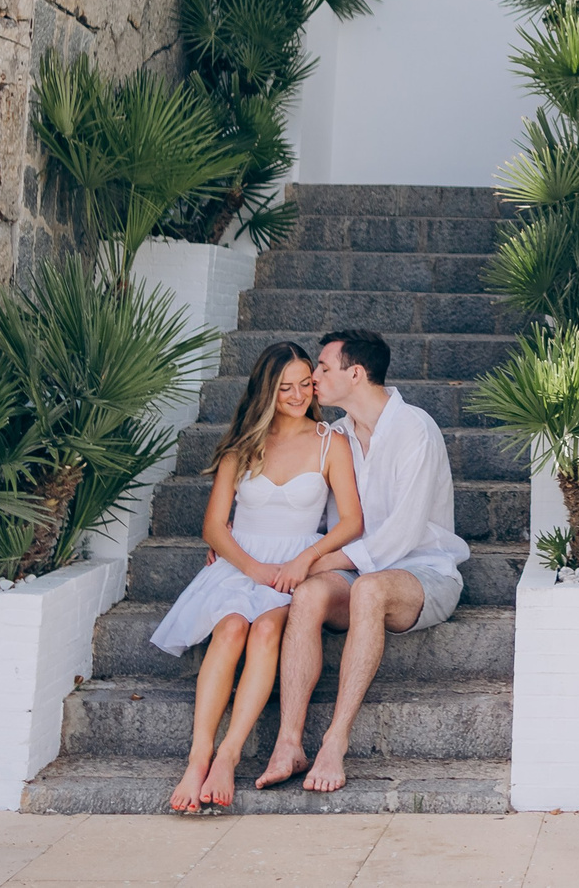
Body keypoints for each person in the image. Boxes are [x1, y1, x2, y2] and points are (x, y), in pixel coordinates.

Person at [147, 341, 362, 813]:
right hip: (240, 561)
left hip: (292, 567)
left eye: (306, 383)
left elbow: (351, 523)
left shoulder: (331, 442)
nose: (298, 394)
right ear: (267, 391)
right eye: (285, 387)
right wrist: (251, 567)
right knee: (229, 630)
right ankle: (198, 756)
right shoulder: (244, 446)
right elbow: (212, 525)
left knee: (265, 632)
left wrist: (305, 560)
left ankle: (229, 755)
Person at [254, 328, 469, 795]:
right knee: (309, 595)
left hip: (423, 573)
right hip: (354, 571)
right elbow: (302, 509)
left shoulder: (416, 429)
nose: (313, 376)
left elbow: (401, 536)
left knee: (369, 589)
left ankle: (334, 741)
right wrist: (238, 540)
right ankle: (289, 743)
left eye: (324, 368)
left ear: (356, 373)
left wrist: (317, 559)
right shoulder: (335, 436)